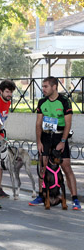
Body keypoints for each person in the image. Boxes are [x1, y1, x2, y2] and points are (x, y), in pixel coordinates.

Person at [29, 76, 81, 210]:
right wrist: (39, 142)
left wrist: (63, 141)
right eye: (43, 86)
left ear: (54, 87)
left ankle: (75, 199)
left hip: (59, 137)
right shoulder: (42, 102)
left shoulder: (64, 101)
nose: (43, 89)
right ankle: (41, 195)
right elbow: (38, 123)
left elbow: (68, 124)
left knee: (66, 167)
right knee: (43, 166)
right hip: (46, 137)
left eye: (46, 86)